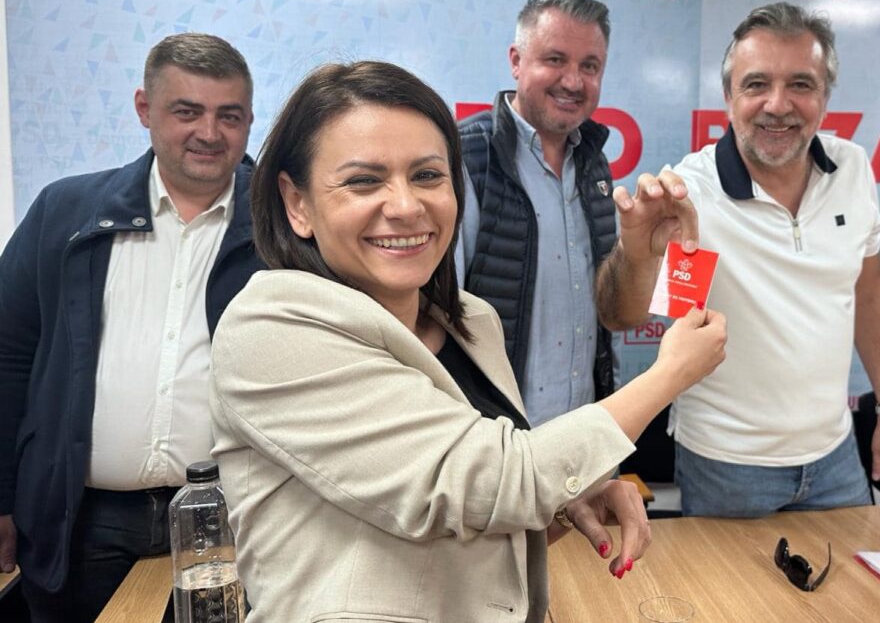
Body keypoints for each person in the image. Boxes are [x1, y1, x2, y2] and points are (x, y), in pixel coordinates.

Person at [210, 61, 727, 621]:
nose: (406, 205)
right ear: (297, 203)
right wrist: (669, 375)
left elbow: (465, 520)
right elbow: (490, 481)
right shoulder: (270, 329)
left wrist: (562, 505)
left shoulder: (470, 322)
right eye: (364, 181)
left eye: (428, 175)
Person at [595, 2, 880, 518]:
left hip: (836, 458)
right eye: (757, 84)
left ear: (825, 97)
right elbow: (625, 316)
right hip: (727, 467)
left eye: (801, 85)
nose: (777, 104)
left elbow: (869, 293)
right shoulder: (691, 192)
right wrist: (636, 252)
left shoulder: (852, 168)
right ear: (729, 97)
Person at [0, 32, 259, 621]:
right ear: (145, 108)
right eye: (186, 111)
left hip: (239, 517)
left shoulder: (284, 225)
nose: (209, 133)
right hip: (81, 524)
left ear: (249, 119)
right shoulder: (65, 213)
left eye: (230, 116)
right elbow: (8, 355)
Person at [456, 0, 619, 426]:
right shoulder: (465, 158)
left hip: (585, 434)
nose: (573, 82)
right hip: (496, 440)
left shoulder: (595, 164)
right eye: (555, 60)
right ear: (516, 61)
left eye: (589, 66)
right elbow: (430, 318)